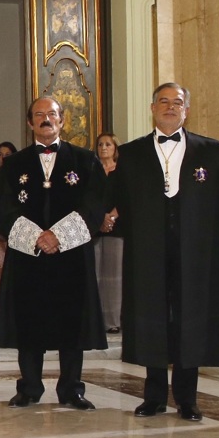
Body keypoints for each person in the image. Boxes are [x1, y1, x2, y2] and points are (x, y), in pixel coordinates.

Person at [111, 84, 219, 422]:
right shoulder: (132, 153)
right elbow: (122, 200)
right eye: (163, 101)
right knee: (151, 318)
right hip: (147, 251)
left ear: (187, 110)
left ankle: (187, 399)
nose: (169, 107)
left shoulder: (210, 152)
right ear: (152, 108)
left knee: (189, 321)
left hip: (193, 253)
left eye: (176, 102)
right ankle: (152, 397)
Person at [0, 97, 106, 410]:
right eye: (39, 115)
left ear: (63, 120)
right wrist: (36, 238)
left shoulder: (85, 161)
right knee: (29, 323)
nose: (46, 119)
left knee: (72, 324)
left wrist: (58, 236)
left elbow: (94, 205)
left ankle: (72, 389)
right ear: (30, 122)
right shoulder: (14, 164)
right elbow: (2, 207)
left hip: (70, 257)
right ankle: (29, 387)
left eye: (52, 114)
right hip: (28, 256)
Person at [94, 132, 123, 334]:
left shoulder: (122, 171)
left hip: (116, 227)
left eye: (108, 144)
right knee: (95, 274)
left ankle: (112, 321)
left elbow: (126, 197)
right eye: (100, 144)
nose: (104, 148)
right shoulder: (92, 171)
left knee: (114, 276)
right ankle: (96, 320)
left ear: (115, 148)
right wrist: (99, 218)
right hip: (95, 227)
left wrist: (111, 218)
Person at [0, 141, 18, 304]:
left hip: (10, 234)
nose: (3, 158)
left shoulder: (16, 179)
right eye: (0, 155)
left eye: (7, 155)